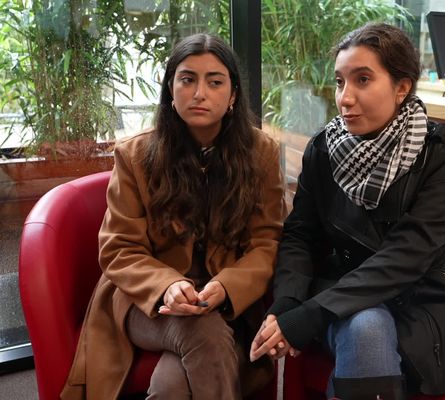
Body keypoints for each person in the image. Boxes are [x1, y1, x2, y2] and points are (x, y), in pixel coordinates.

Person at [250, 22, 445, 400]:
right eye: (340, 82)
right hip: (341, 289)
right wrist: (287, 303)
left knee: (367, 329)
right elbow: (300, 235)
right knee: (367, 326)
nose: (344, 98)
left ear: (402, 87)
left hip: (422, 297)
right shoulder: (323, 149)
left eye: (362, 80)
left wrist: (310, 315)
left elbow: (407, 255)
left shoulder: (441, 151)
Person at [61, 33, 286, 400]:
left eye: (214, 82)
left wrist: (227, 286)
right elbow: (119, 248)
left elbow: (267, 244)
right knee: (203, 331)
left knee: (171, 385)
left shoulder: (260, 153)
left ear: (232, 97)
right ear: (170, 89)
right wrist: (167, 285)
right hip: (146, 300)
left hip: (225, 297)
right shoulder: (135, 155)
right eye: (187, 79)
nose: (199, 93)